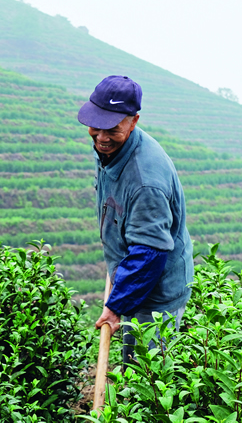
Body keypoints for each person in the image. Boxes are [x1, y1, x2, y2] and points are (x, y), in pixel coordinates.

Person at [77, 75, 193, 365]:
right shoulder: (111, 148)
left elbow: (149, 254)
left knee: (148, 374)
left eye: (112, 129)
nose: (101, 137)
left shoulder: (146, 182)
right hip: (135, 273)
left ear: (133, 121)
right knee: (135, 360)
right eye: (96, 126)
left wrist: (116, 306)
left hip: (155, 289)